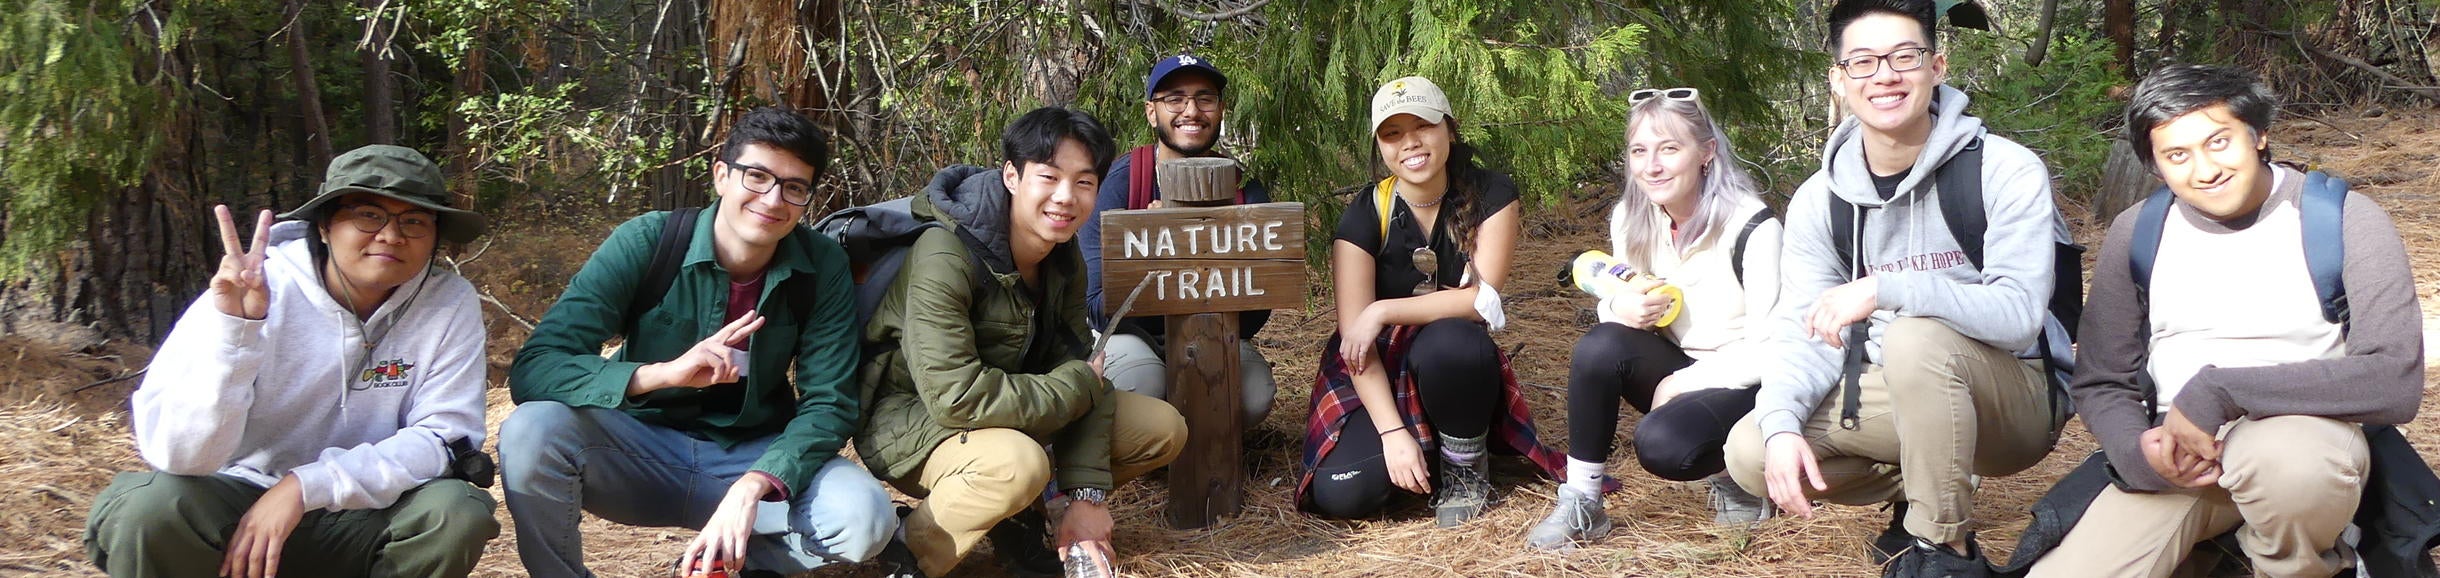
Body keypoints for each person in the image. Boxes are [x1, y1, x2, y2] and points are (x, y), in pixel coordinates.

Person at [2025, 64, 2423, 578]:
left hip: (2305, 440)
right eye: (2177, 155)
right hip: (2183, 453)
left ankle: (2302, 564)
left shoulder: (2342, 218)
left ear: (2258, 135)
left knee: (2288, 468)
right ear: (2154, 165)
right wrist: (2136, 452)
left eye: (2219, 142)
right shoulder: (2139, 232)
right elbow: (2103, 378)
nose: (2205, 169)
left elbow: (2393, 379)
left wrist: (2218, 392)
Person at [1719, 0, 2075, 574]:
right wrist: (1783, 421)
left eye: (1904, 57)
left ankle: (1945, 549)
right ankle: (1921, 483)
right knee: (1752, 451)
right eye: (1862, 62)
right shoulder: (1820, 198)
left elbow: (2018, 315)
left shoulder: (2004, 170)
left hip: (2015, 399)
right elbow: (1801, 330)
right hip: (1899, 390)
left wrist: (1890, 288)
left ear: (1937, 66)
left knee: (1914, 338)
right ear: (1838, 80)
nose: (1884, 75)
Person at [502, 106, 895, 578]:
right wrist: (658, 375)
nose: (772, 200)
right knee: (531, 429)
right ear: (722, 175)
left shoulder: (822, 264)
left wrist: (755, 484)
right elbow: (537, 366)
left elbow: (829, 402)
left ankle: (711, 566)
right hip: (636, 451)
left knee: (865, 518)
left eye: (793, 187)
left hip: (750, 453)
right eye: (757, 177)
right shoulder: (649, 241)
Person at [84, 145, 499, 578]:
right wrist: (237, 333)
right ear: (324, 226)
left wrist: (305, 486)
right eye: (368, 215)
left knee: (454, 511)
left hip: (365, 512)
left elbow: (444, 438)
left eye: (414, 221)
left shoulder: (448, 302)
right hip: (234, 503)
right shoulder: (254, 289)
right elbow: (181, 457)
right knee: (148, 507)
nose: (391, 236)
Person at [854, 106, 1187, 578]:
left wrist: (1087, 497)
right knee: (1017, 464)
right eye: (1049, 177)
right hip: (912, 419)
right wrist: (1076, 384)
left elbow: (1082, 373)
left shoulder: (1062, 254)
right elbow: (957, 397)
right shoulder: (946, 254)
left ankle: (1024, 521)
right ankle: (909, 550)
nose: (1065, 197)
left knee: (1160, 427)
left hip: (1009, 405)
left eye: (1084, 183)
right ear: (1012, 175)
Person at [1298, 75, 1574, 527]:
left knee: (1454, 342)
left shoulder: (1492, 194)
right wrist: (1391, 432)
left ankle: (1465, 468)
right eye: (1392, 134)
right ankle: (1422, 444)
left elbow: (1480, 302)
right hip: (1376, 367)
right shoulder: (1364, 213)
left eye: (1422, 126)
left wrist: (1383, 309)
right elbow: (1357, 342)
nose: (1410, 144)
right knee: (1344, 493)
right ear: (1380, 147)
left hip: (1452, 361)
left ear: (1449, 127)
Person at [1527, 87, 1784, 550]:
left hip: (1749, 382)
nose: (1652, 166)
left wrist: (1685, 384)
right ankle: (1583, 500)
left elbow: (1776, 349)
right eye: (1639, 151)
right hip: (1680, 364)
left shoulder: (1754, 228)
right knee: (1600, 344)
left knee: (1663, 446)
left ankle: (1736, 473)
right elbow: (1620, 293)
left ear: (1706, 153)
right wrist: (1618, 307)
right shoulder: (1631, 217)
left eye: (1670, 148)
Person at [1079, 53, 1280, 430]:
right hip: (1127, 335)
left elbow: (1257, 309)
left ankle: (1205, 446)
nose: (1191, 110)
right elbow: (1094, 304)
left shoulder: (1243, 191)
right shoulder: (1120, 184)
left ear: (1220, 111)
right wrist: (1153, 252)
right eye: (1175, 98)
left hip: (1218, 331)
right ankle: (1151, 442)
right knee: (1144, 384)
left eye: (1204, 99)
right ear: (1152, 112)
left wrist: (1197, 252)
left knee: (1253, 396)